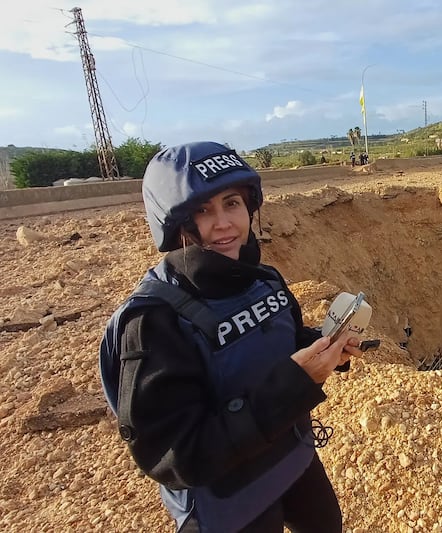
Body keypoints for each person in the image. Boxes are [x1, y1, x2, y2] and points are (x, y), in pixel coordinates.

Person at [99, 141, 361, 533]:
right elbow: (177, 456)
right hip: (228, 498)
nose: (224, 223)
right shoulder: (156, 321)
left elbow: (278, 344)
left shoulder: (264, 280)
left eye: (232, 203)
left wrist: (325, 348)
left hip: (290, 453)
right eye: (202, 210)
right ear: (175, 224)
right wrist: (297, 381)